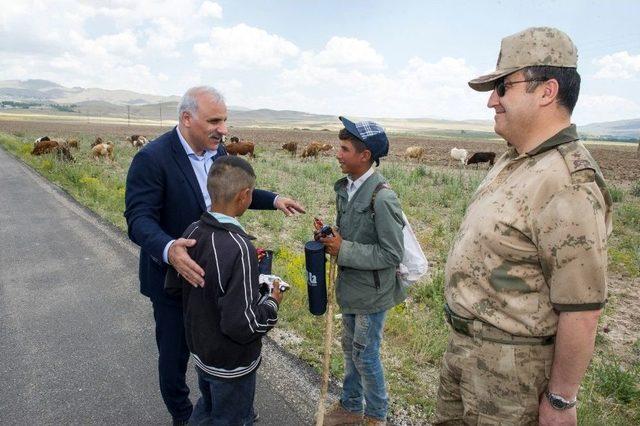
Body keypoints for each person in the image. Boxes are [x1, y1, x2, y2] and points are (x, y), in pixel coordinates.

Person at [434, 27, 613, 425]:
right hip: (467, 354)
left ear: (547, 91)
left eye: (503, 86)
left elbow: (582, 307)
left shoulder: (567, 181)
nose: (491, 101)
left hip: (511, 374)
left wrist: (561, 400)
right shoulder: (514, 160)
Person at [124, 86, 304, 425]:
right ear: (187, 118)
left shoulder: (217, 152)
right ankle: (183, 416)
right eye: (215, 121)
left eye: (225, 121)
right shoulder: (152, 158)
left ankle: (213, 409)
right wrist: (169, 249)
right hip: (174, 280)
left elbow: (231, 192)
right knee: (175, 357)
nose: (223, 130)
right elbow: (138, 218)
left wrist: (274, 199)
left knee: (213, 351)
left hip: (215, 282)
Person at [164, 155, 284, 425]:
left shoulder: (192, 231)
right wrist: (272, 302)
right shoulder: (240, 248)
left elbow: (175, 287)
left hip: (202, 353)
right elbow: (242, 324)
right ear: (245, 196)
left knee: (207, 408)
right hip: (231, 365)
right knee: (233, 418)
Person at [319, 117, 406, 426]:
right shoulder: (348, 188)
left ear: (364, 155)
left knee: (366, 356)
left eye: (344, 149)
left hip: (372, 293)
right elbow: (353, 233)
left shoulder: (382, 197)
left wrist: (343, 248)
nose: (337, 154)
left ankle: (375, 416)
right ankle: (351, 405)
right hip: (352, 287)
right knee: (351, 350)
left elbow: (392, 253)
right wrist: (331, 237)